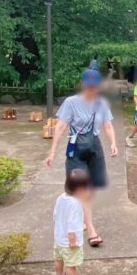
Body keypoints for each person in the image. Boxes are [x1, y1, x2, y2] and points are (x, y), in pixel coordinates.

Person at [46, 68, 118, 247]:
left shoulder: (101, 103)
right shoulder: (71, 102)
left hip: (94, 146)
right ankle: (91, 230)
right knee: (82, 189)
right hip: (76, 147)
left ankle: (82, 216)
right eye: (88, 86)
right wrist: (53, 151)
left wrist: (113, 143)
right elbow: (61, 126)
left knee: (92, 187)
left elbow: (107, 125)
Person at [53, 168, 93, 275]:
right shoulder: (75, 204)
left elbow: (56, 215)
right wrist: (72, 241)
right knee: (71, 265)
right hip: (69, 242)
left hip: (59, 238)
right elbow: (72, 224)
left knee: (59, 259)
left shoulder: (61, 197)